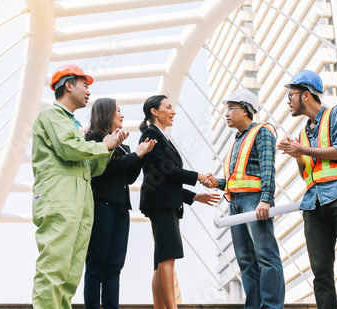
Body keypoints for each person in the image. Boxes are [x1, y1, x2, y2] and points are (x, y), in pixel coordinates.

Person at [277, 70, 337, 309]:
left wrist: (302, 150)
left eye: (291, 95)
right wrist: (298, 156)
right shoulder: (301, 134)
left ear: (306, 95)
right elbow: (307, 174)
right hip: (314, 205)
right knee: (321, 275)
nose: (288, 100)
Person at [31, 64, 124, 309]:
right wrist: (104, 146)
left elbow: (92, 168)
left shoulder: (73, 125)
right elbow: (69, 149)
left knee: (70, 274)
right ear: (68, 85)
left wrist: (108, 148)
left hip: (80, 203)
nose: (88, 91)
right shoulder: (52, 115)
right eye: (84, 85)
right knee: (54, 267)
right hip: (58, 199)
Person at [205, 89, 285, 309]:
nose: (227, 113)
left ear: (246, 110)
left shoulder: (262, 132)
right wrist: (218, 183)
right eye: (227, 109)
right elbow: (239, 177)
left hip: (256, 200)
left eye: (231, 108)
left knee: (266, 256)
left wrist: (266, 199)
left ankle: (271, 306)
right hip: (236, 202)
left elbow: (268, 168)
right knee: (245, 261)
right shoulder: (237, 141)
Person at [138, 95, 220, 309]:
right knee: (168, 257)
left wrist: (194, 196)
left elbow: (165, 180)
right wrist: (199, 176)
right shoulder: (150, 134)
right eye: (168, 107)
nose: (173, 111)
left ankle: (161, 307)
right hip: (161, 204)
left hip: (163, 202)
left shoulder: (160, 136)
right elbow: (167, 171)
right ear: (154, 111)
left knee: (161, 260)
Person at [84, 98, 157, 309]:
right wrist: (137, 154)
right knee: (96, 265)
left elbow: (128, 177)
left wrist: (140, 155)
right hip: (101, 207)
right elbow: (106, 169)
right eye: (118, 110)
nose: (122, 115)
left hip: (120, 208)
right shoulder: (94, 139)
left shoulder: (123, 147)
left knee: (115, 266)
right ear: (106, 113)